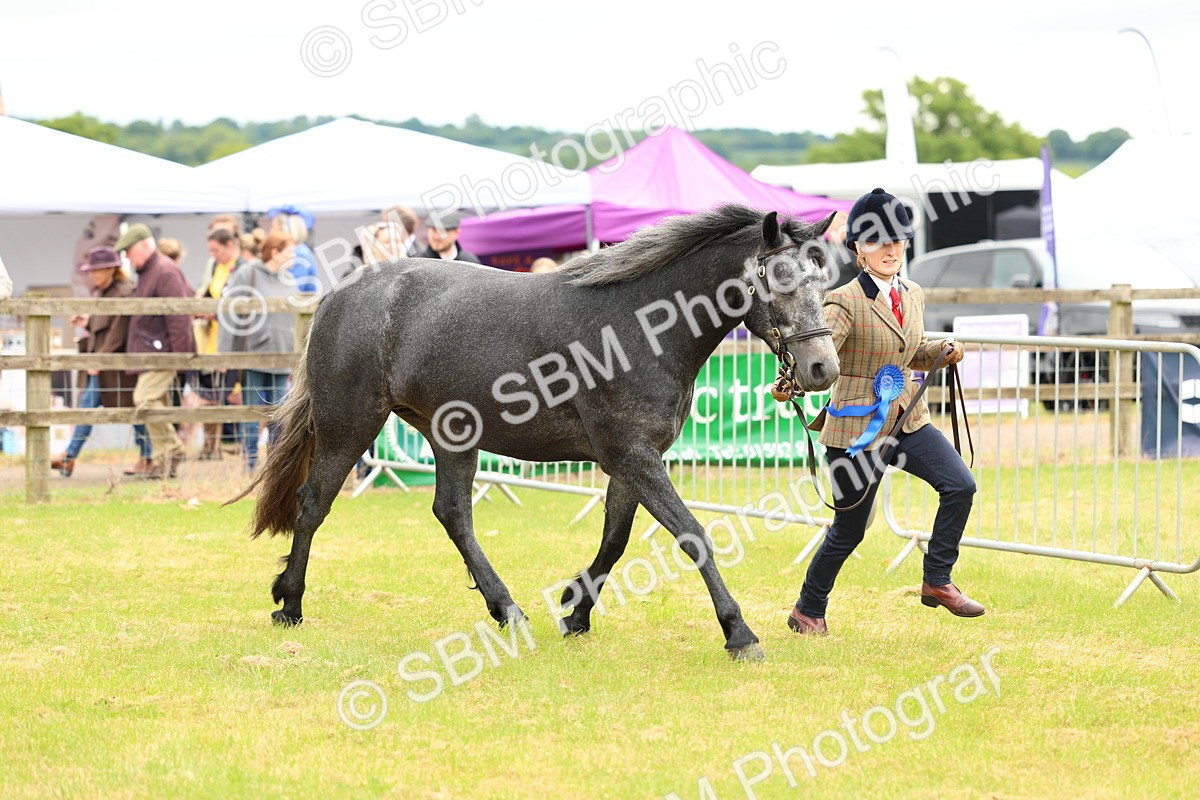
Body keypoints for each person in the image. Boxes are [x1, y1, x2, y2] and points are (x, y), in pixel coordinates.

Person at [789, 187, 980, 637]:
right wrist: (791, 385)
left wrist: (941, 350)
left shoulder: (912, 293)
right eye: (878, 241)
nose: (890, 249)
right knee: (851, 528)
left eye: (897, 240)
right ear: (858, 248)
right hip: (855, 429)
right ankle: (807, 610)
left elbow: (907, 353)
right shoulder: (843, 301)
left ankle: (937, 579)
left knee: (960, 485)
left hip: (907, 420)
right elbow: (821, 362)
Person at [50, 248, 151, 476]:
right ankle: (70, 456)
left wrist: (100, 359)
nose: (92, 276)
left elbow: (119, 331)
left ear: (110, 270)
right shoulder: (107, 292)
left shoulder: (123, 292)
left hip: (115, 366)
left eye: (96, 271)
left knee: (135, 411)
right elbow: (107, 326)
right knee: (99, 409)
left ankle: (148, 456)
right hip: (107, 365)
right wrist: (87, 323)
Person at [116, 223, 195, 480]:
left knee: (145, 399)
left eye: (128, 251)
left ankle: (171, 450)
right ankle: (165, 459)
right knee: (155, 402)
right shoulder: (151, 271)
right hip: (154, 349)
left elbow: (179, 315)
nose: (126, 256)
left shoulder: (164, 271)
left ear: (143, 246)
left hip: (163, 351)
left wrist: (181, 355)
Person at [218, 232, 296, 473]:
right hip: (253, 356)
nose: (294, 256)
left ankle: (275, 464)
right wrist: (224, 354)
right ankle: (249, 463)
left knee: (280, 413)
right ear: (275, 251)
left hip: (283, 357)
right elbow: (228, 312)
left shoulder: (289, 280)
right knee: (251, 413)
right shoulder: (248, 273)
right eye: (289, 251)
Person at [194, 227, 246, 459]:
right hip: (213, 338)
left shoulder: (243, 268)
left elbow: (242, 306)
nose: (213, 254)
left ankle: (246, 443)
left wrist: (214, 314)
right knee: (210, 392)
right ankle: (211, 447)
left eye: (216, 250)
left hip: (235, 338)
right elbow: (210, 295)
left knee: (235, 393)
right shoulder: (216, 267)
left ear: (229, 246)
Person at [267, 206, 319, 293]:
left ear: (285, 230)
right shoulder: (298, 250)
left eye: (273, 227)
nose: (271, 232)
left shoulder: (300, 254)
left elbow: (292, 290)